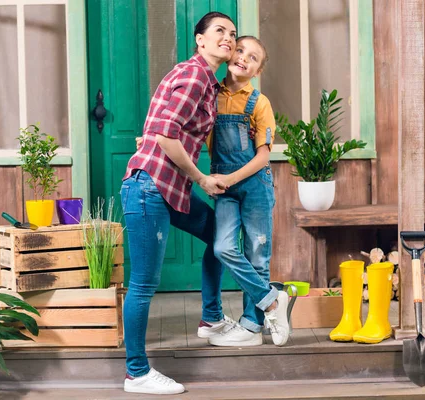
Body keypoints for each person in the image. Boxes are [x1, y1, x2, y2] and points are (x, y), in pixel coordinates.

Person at [121, 12, 237, 395]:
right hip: (149, 189)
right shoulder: (194, 76)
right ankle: (136, 373)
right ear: (200, 40)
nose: (228, 38)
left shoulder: (203, 79)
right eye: (220, 31)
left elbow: (159, 127)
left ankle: (210, 319)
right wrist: (202, 179)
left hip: (167, 189)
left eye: (233, 34)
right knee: (143, 284)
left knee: (220, 237)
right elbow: (167, 135)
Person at [206, 35, 290, 348]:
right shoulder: (210, 96)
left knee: (257, 255)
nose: (244, 58)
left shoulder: (259, 103)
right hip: (225, 188)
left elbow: (263, 156)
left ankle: (252, 326)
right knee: (223, 247)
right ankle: (272, 300)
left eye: (253, 57)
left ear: (256, 71)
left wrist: (228, 178)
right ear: (229, 53)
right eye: (240, 50)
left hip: (254, 185)